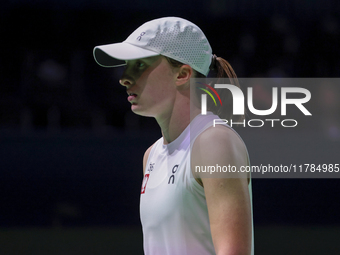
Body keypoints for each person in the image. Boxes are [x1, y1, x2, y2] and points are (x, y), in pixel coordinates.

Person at [93, 17, 254, 255]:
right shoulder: (152, 156)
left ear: (182, 74)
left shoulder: (214, 142)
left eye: (139, 65)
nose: (123, 77)